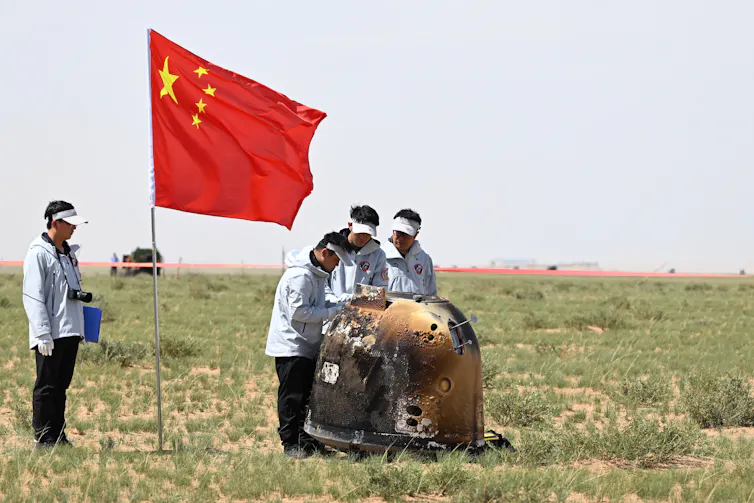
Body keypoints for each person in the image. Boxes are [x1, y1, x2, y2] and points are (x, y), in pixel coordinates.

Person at [265, 231, 353, 458]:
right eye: (336, 261)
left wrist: (345, 301)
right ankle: (290, 444)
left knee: (307, 396)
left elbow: (321, 301)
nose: (336, 267)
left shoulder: (318, 273)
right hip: (291, 345)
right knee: (292, 397)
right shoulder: (300, 277)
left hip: (307, 344)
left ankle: (308, 443)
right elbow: (300, 313)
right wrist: (332, 312)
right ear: (324, 253)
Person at [22, 200, 89, 448]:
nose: (74, 228)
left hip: (70, 330)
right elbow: (32, 295)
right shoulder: (38, 253)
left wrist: (82, 328)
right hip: (50, 334)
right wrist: (42, 333)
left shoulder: (69, 253)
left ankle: (59, 436)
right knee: (46, 387)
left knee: (61, 387)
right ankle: (44, 437)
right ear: (55, 223)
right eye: (70, 224)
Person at [324, 204, 388, 310]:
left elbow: (380, 291)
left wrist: (355, 298)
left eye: (367, 234)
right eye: (359, 233)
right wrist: (331, 299)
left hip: (362, 315)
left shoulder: (378, 255)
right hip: (331, 311)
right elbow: (321, 282)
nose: (362, 237)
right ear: (350, 225)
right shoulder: (332, 247)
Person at [381, 209, 438, 296]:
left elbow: (432, 293)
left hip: (418, 309)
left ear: (415, 235)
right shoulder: (380, 257)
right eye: (398, 233)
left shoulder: (424, 259)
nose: (401, 238)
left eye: (406, 234)